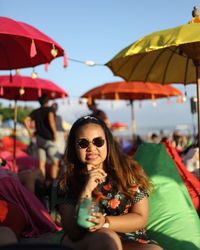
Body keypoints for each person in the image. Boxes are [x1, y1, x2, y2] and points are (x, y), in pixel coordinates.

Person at [55, 115, 163, 250]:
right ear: (74, 147)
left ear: (108, 143)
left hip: (129, 238)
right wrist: (87, 190)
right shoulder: (67, 182)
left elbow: (140, 217)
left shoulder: (128, 171)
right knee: (107, 240)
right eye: (83, 143)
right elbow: (74, 232)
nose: (91, 148)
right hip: (88, 239)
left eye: (98, 142)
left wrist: (105, 222)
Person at [24, 93, 59, 183]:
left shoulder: (36, 111)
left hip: (39, 139)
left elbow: (25, 120)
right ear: (47, 101)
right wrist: (55, 133)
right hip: (48, 139)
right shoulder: (50, 109)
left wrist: (29, 132)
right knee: (55, 162)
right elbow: (51, 120)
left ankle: (42, 183)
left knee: (42, 164)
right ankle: (53, 183)